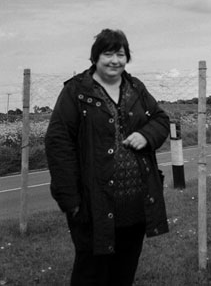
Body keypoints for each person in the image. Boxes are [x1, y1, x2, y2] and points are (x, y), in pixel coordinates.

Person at [45, 29, 170, 286]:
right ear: (95, 57)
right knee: (91, 272)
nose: (115, 60)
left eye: (121, 54)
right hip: (93, 204)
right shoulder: (76, 91)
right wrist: (70, 199)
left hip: (135, 204)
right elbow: (58, 144)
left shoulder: (136, 88)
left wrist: (146, 135)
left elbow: (160, 119)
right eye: (108, 54)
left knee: (124, 271)